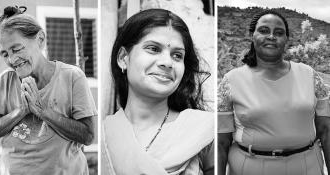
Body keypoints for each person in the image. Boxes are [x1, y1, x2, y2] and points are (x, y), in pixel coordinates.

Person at [0, 6, 97, 175]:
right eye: (5, 54)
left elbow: (88, 136)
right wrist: (21, 111)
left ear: (40, 39)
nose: (12, 59)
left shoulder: (72, 76)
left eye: (17, 49)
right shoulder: (4, 81)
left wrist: (42, 111)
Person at [101, 9, 214, 175]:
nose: (167, 62)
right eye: (153, 49)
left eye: (177, 55)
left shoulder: (205, 132)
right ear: (123, 58)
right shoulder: (104, 135)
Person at [217, 10, 330, 175]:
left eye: (279, 33)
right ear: (251, 35)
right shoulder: (231, 80)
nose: (271, 36)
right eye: (263, 31)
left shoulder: (310, 75)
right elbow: (221, 143)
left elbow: (326, 130)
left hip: (307, 167)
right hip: (248, 167)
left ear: (286, 40)